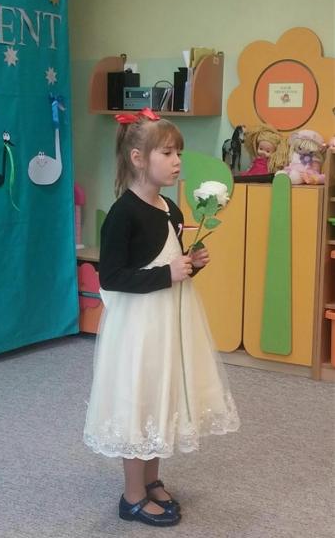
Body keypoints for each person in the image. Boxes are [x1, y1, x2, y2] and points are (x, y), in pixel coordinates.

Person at [83, 108, 240, 527]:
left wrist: (191, 265)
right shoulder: (123, 214)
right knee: (140, 400)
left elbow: (171, 263)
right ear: (138, 158)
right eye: (167, 153)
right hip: (140, 327)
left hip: (170, 321)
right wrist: (167, 273)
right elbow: (113, 277)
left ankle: (151, 480)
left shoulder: (170, 208)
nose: (177, 162)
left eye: (178, 154)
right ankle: (132, 496)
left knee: (160, 397)